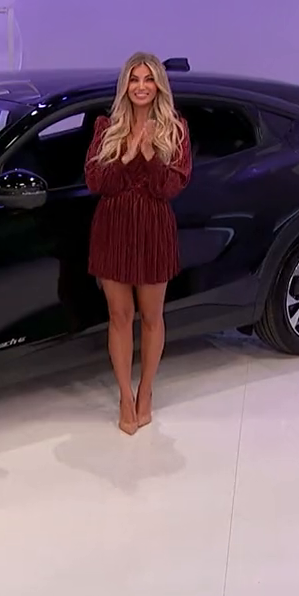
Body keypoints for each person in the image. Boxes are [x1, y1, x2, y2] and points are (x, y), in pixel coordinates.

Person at [84, 52, 193, 435]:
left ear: (159, 85)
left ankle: (146, 391)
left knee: (151, 317)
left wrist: (149, 155)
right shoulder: (106, 127)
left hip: (152, 229)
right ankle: (124, 396)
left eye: (148, 79)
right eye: (134, 79)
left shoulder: (176, 129)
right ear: (125, 86)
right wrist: (128, 154)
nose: (141, 86)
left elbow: (171, 187)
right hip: (113, 229)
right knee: (119, 316)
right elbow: (96, 182)